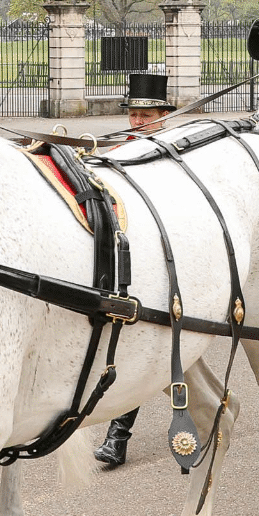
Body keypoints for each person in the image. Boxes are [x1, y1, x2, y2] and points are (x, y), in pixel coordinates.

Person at [94, 72, 176, 470]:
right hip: (130, 258)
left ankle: (117, 438)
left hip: (173, 259)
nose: (138, 121)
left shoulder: (176, 153)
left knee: (144, 347)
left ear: (164, 115)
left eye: (146, 115)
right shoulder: (122, 149)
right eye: (134, 114)